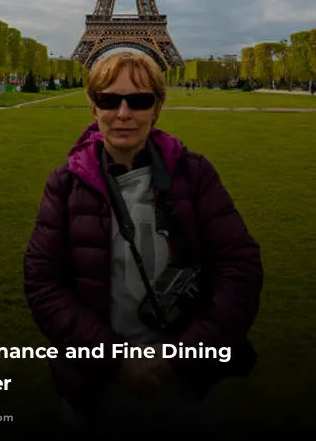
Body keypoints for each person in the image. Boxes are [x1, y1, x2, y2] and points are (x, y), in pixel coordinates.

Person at [23, 50, 263, 437]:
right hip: (100, 381)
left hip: (185, 380)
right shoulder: (63, 185)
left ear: (157, 107)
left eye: (139, 100)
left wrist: (181, 359)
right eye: (108, 99)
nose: (123, 112)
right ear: (92, 105)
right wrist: (115, 361)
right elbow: (43, 283)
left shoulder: (196, 174)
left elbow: (240, 269)